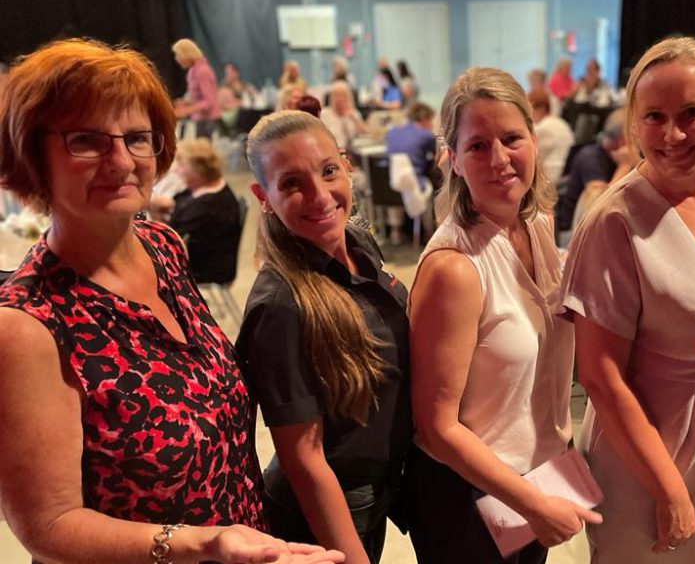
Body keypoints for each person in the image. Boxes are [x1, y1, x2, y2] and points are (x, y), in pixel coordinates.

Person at [0, 38, 343, 564]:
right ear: (31, 154)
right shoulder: (28, 326)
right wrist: (201, 543)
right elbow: (49, 525)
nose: (121, 160)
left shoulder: (161, 246)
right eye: (86, 140)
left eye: (138, 137)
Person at [560, 36, 695, 563]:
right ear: (633, 122)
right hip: (649, 454)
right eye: (654, 117)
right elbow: (600, 377)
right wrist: (668, 490)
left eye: (692, 112)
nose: (673, 134)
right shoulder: (614, 220)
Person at [405, 66, 600, 563]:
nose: (498, 160)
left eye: (512, 138)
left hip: (537, 474)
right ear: (451, 158)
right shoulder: (455, 269)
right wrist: (533, 504)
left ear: (535, 140)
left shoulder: (537, 225)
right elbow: (435, 428)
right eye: (476, 146)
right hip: (472, 496)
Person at [236, 110, 412, 564]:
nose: (319, 196)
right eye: (292, 183)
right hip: (328, 507)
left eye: (328, 170)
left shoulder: (359, 244)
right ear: (265, 197)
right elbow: (303, 460)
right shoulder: (280, 305)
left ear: (346, 164)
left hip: (378, 488)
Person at [163, 138, 242, 284]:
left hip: (206, 269)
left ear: (198, 170)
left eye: (181, 165)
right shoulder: (204, 187)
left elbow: (168, 241)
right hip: (197, 257)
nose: (175, 169)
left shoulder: (208, 207)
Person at [554, 108, 629, 233]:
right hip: (573, 234)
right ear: (624, 139)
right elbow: (598, 209)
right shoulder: (590, 158)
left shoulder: (615, 156)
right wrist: (625, 166)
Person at [384, 101, 440, 244]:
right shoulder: (426, 135)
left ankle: (395, 230)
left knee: (400, 182)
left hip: (390, 186)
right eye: (431, 121)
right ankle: (429, 232)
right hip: (416, 185)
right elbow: (437, 156)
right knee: (431, 184)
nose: (432, 125)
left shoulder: (392, 132)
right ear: (424, 119)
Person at [172, 38, 221, 138]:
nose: (177, 59)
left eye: (178, 55)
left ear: (186, 54)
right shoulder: (192, 71)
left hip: (208, 120)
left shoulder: (203, 71)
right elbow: (194, 95)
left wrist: (187, 110)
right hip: (200, 119)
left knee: (204, 151)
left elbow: (209, 101)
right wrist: (184, 102)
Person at [529, 88, 575, 182]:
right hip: (565, 176)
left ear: (541, 108)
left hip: (551, 178)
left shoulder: (542, 128)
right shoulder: (561, 123)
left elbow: (531, 158)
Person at [321, 80, 369, 149]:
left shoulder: (354, 114)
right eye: (336, 95)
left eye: (343, 95)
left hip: (352, 153)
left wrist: (353, 118)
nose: (339, 99)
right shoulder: (325, 114)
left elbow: (367, 134)